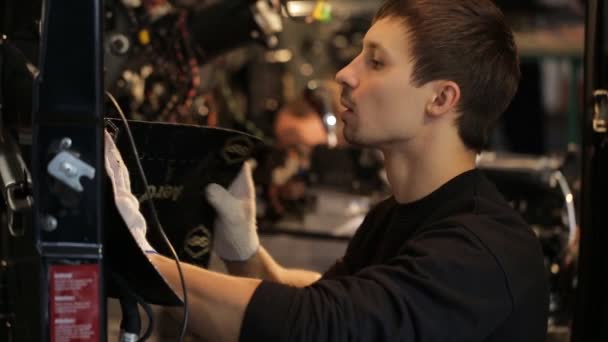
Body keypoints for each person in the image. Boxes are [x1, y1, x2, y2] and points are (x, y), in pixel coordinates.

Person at [108, 0, 549, 340]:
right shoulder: (392, 219)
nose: (345, 73)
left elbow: (321, 329)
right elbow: (321, 300)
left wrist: (141, 260)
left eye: (376, 61)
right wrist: (245, 254)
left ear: (440, 99)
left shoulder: (482, 252)